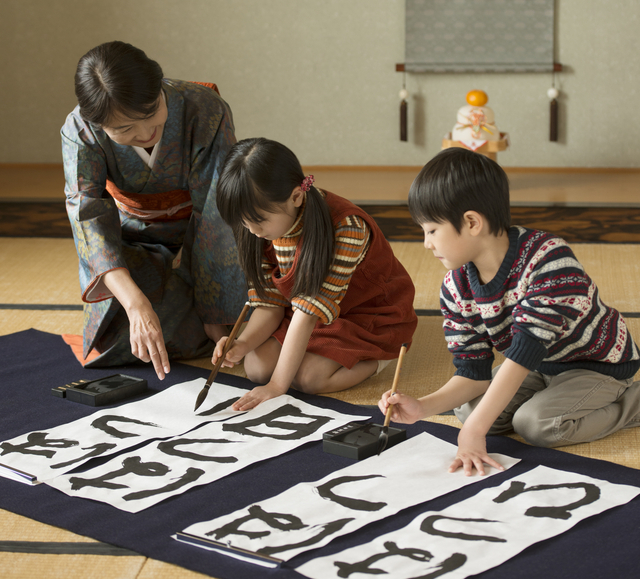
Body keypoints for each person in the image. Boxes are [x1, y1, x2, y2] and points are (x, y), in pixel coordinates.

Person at [379, 147, 640, 476]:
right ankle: (550, 394)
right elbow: (473, 373)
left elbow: (523, 351)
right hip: (541, 365)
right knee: (468, 409)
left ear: (472, 222)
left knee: (537, 425)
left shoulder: (547, 260)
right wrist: (422, 407)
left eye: (431, 230)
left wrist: (474, 432)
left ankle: (634, 401)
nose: (426, 243)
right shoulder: (455, 286)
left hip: (596, 364)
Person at [61, 41, 245, 380]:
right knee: (120, 342)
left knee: (224, 326)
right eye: (124, 129)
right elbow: (89, 221)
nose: (145, 133)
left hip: (201, 237)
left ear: (159, 86)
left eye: (151, 114)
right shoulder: (79, 131)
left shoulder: (204, 108)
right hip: (134, 241)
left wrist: (217, 313)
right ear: (98, 124)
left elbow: (216, 211)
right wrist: (136, 305)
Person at [213, 137, 418, 411]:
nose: (251, 230)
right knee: (256, 369)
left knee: (310, 379)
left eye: (258, 221)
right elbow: (271, 303)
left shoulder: (347, 227)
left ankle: (381, 358)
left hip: (365, 313)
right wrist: (241, 343)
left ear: (297, 196)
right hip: (303, 312)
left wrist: (277, 387)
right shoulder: (258, 226)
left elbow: (308, 313)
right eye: (243, 222)